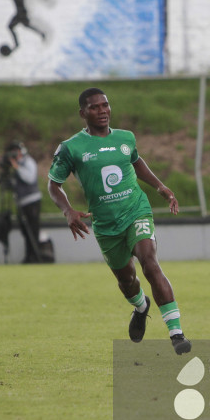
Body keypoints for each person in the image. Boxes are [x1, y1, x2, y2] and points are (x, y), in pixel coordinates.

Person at [47, 88, 191, 354]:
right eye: (94, 107)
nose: (102, 111)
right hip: (105, 223)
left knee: (149, 262)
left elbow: (136, 162)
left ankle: (176, 333)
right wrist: (68, 210)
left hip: (136, 210)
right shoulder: (71, 148)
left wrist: (160, 187)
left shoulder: (126, 138)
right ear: (82, 113)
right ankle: (140, 306)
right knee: (127, 280)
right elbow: (54, 185)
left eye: (105, 105)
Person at [2, 141, 43, 263]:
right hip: (21, 203)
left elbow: (29, 178)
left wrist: (17, 167)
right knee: (25, 231)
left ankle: (35, 257)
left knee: (32, 230)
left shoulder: (28, 162)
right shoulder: (17, 164)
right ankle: (28, 257)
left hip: (32, 201)